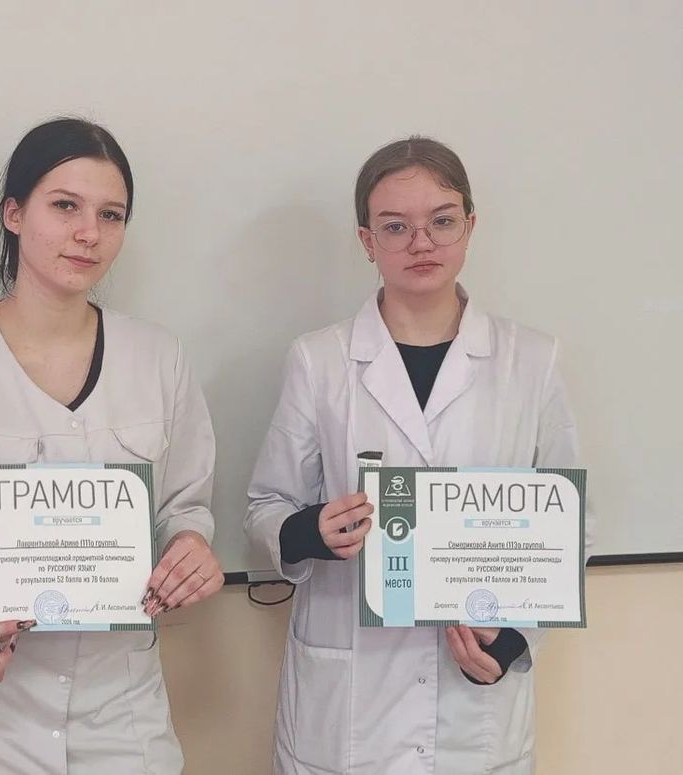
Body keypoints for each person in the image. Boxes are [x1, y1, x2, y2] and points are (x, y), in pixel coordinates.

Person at [0, 118, 223, 774]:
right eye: (65, 206)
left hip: (119, 717)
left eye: (110, 215)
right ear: (14, 214)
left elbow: (184, 509)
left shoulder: (160, 358)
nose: (89, 233)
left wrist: (192, 549)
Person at [246, 136, 589, 774]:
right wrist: (310, 531)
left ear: (470, 226)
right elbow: (267, 506)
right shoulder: (319, 360)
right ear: (367, 240)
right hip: (351, 702)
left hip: (473, 705)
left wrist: (510, 640)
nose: (421, 242)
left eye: (442, 221)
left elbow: (570, 527)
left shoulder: (531, 361)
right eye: (396, 226)